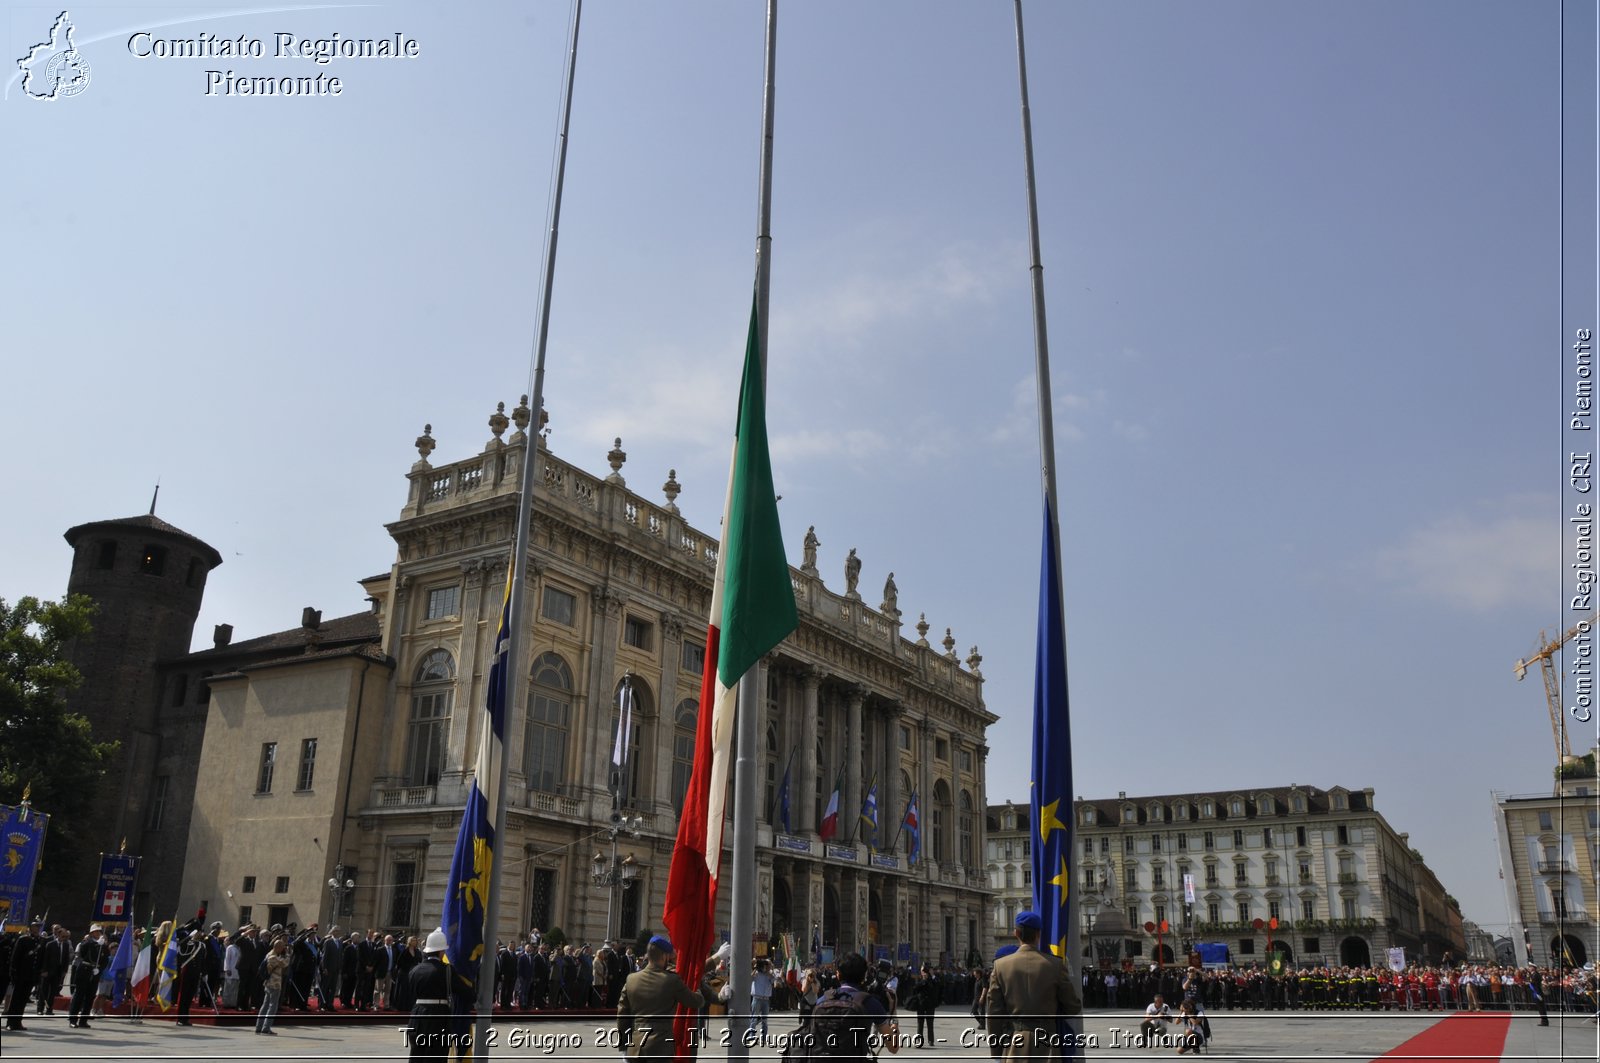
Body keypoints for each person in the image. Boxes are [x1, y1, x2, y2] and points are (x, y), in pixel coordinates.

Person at [985, 911, 1083, 1061]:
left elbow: (994, 1014)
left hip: (1014, 1045)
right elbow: (1073, 1007)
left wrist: (996, 1051)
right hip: (1047, 1044)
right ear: (1039, 934)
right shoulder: (1055, 965)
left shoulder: (1000, 966)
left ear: (1016, 933)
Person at [616, 935, 708, 1058]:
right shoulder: (671, 980)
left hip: (635, 1047)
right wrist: (697, 989)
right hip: (660, 1048)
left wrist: (623, 1046)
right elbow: (696, 1002)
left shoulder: (631, 979)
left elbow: (622, 1015)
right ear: (664, 956)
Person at [802, 951, 898, 1062]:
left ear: (837, 974)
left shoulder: (822, 1001)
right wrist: (893, 1013)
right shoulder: (869, 1003)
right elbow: (893, 1047)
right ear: (864, 977)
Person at [406, 929, 452, 1061]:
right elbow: (465, 991)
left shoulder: (414, 970)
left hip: (417, 1015)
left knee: (416, 1055)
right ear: (441, 952)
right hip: (438, 1017)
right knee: (437, 1056)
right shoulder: (446, 970)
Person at [68, 924, 105, 1029]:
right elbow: (82, 952)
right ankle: (73, 1019)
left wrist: (100, 969)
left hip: (95, 972)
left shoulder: (102, 944)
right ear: (92, 933)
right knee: (79, 996)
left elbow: (105, 959)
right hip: (84, 970)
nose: (98, 933)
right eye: (96, 932)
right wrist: (93, 943)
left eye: (99, 932)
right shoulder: (86, 942)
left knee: (90, 997)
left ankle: (83, 1020)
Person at [256, 935, 290, 1035]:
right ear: (278, 947)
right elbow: (285, 963)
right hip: (274, 983)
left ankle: (259, 1027)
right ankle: (266, 1028)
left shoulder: (269, 954)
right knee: (272, 1006)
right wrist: (287, 954)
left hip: (268, 983)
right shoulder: (273, 957)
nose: (283, 949)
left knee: (265, 1005)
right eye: (282, 947)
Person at [36, 925, 70, 1016]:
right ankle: (40, 1008)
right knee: (44, 990)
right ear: (58, 935)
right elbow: (45, 958)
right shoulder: (50, 944)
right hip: (48, 971)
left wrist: (64, 970)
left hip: (58, 972)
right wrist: (43, 970)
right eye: (63, 936)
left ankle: (49, 1009)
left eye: (66, 937)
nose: (64, 938)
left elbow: (66, 959)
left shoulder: (66, 945)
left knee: (53, 992)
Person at [749, 958, 774, 1038]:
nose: (765, 966)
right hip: (757, 998)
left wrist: (769, 968)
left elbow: (773, 981)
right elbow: (750, 979)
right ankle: (751, 1036)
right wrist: (755, 967)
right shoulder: (756, 973)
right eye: (765, 965)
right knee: (754, 1019)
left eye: (767, 965)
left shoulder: (769, 975)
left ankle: (763, 1037)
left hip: (766, 1000)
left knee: (764, 1021)